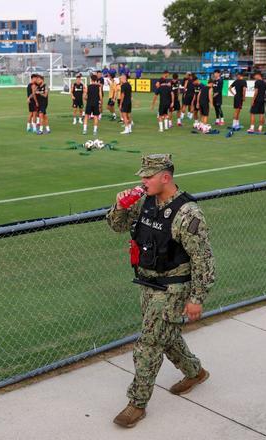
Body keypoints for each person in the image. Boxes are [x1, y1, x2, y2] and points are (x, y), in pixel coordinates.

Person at [107, 153, 215, 429]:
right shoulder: (144, 201)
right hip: (147, 282)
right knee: (165, 336)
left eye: (147, 176)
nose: (142, 181)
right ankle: (195, 372)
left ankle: (137, 404)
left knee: (149, 344)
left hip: (172, 288)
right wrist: (120, 206)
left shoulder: (187, 213)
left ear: (165, 177)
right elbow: (116, 226)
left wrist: (196, 298)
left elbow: (203, 259)